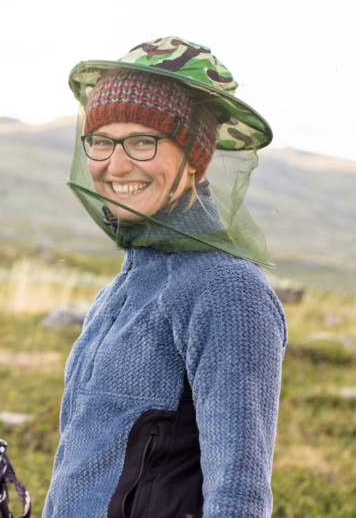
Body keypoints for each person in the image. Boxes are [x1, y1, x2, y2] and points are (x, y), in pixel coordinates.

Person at [43, 37, 287, 518]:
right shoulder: (120, 288)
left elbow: (238, 494)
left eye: (142, 141)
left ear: (196, 157)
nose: (115, 165)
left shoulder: (228, 291)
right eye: (102, 141)